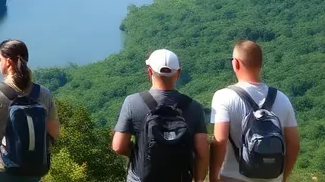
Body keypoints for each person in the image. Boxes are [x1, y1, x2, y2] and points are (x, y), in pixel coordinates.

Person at [111, 49, 209, 182]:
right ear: (178, 73)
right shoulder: (194, 107)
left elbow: (118, 146)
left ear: (150, 71)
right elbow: (202, 153)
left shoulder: (132, 102)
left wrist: (140, 153)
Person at [210, 41, 300, 182]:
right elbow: (294, 143)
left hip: (232, 177)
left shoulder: (223, 96)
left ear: (236, 64)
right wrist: (283, 177)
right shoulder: (282, 99)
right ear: (261, 64)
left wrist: (213, 177)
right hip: (272, 178)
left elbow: (220, 141)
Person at [0, 39, 60, 182]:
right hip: (33, 171)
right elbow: (54, 132)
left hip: (0, 171)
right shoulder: (44, 93)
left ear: (8, 62)